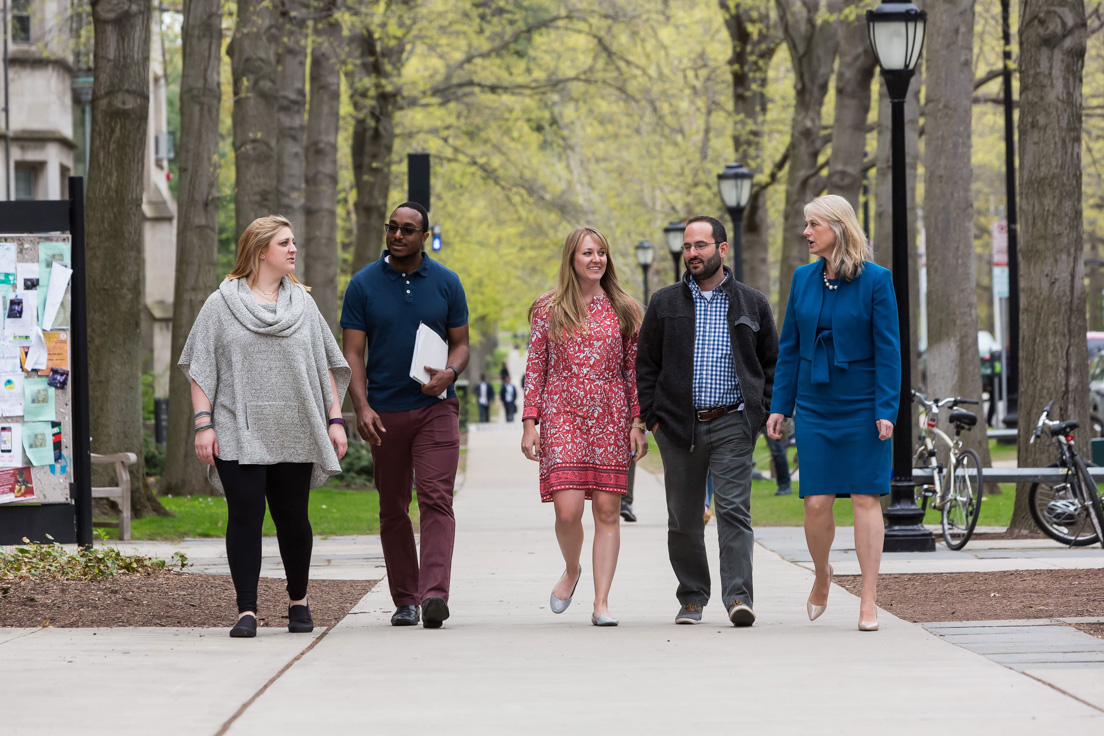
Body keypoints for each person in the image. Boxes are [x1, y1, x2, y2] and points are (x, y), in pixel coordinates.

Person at [179, 215, 351, 639]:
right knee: (245, 514)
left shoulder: (304, 305)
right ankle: (247, 611)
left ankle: (298, 601)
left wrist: (334, 419)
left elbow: (324, 364)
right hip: (237, 426)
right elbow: (200, 368)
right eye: (284, 243)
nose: (293, 249)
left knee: (293, 518)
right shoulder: (220, 305)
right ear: (259, 252)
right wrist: (204, 424)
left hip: (294, 426)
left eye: (293, 242)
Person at [766, 194, 900, 632]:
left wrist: (886, 408)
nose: (806, 232)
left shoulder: (877, 281)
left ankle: (868, 599)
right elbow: (789, 348)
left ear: (838, 228)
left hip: (863, 404)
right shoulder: (803, 279)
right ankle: (823, 573)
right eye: (806, 224)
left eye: (813, 224)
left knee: (865, 496)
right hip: (816, 403)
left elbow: (889, 350)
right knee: (817, 502)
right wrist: (780, 406)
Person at [636, 215, 778, 627]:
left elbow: (771, 364)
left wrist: (759, 413)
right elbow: (645, 365)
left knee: (733, 510)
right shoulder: (664, 303)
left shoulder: (753, 303)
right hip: (678, 427)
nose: (693, 253)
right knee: (683, 516)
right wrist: (653, 418)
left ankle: (738, 597)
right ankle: (693, 597)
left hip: (733, 422)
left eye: (700, 245)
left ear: (722, 248)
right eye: (687, 247)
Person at [341, 201, 469, 629]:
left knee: (436, 499)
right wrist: (361, 406)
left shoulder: (447, 283)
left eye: (408, 230)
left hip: (436, 408)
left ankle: (434, 594)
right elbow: (353, 353)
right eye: (391, 228)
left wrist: (450, 372)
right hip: (385, 412)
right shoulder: (362, 284)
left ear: (423, 236)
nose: (397, 235)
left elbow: (462, 344)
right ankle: (406, 599)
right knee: (393, 506)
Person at [521, 226, 647, 627]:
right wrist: (529, 421)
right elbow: (535, 367)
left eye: (602, 253)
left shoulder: (624, 307)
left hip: (611, 414)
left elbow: (633, 371)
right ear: (571, 259)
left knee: (608, 511)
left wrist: (637, 421)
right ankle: (572, 569)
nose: (596, 260)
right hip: (562, 413)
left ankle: (602, 602)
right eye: (587, 253)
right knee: (567, 512)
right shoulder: (547, 307)